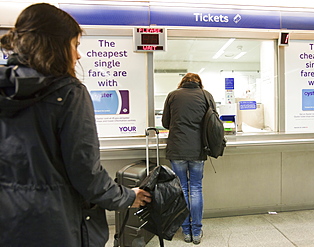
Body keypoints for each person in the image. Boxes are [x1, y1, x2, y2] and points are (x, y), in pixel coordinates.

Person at [0, 3, 151, 247]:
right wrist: (126, 197)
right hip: (55, 225)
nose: (78, 55)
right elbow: (86, 175)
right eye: (75, 45)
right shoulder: (69, 93)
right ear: (56, 46)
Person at [162, 73, 217, 245]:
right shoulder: (206, 95)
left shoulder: (173, 95)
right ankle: (197, 231)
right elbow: (214, 120)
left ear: (182, 82)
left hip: (177, 149)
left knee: (182, 190)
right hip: (197, 150)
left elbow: (165, 122)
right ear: (199, 83)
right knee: (196, 189)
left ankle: (186, 231)